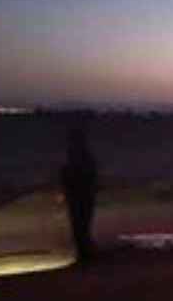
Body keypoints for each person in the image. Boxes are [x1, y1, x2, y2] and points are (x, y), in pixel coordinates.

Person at [61, 112, 98, 264]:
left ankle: (84, 255)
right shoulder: (84, 157)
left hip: (79, 196)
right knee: (82, 226)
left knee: (80, 227)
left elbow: (70, 176)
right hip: (83, 196)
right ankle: (85, 254)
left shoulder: (78, 157)